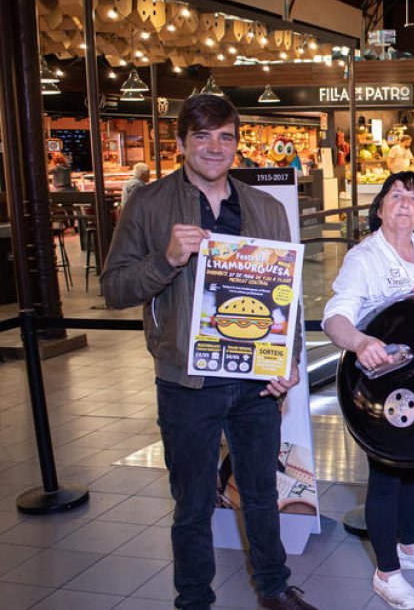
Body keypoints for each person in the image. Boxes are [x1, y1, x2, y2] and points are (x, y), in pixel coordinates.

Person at [101, 94, 315, 610]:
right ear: (180, 144)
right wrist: (167, 259)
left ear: (237, 145)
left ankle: (272, 585)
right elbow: (114, 289)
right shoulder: (149, 205)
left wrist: (289, 360)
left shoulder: (264, 206)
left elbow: (289, 292)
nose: (214, 147)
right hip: (186, 382)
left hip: (255, 380)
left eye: (225, 136)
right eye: (202, 136)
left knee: (262, 492)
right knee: (193, 503)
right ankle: (193, 599)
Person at [322, 171, 414, 609]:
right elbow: (336, 318)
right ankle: (386, 572)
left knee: (412, 464)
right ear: (378, 207)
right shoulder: (364, 258)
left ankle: (411, 548)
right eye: (396, 195)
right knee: (385, 473)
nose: (406, 203)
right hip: (380, 387)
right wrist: (361, 341)